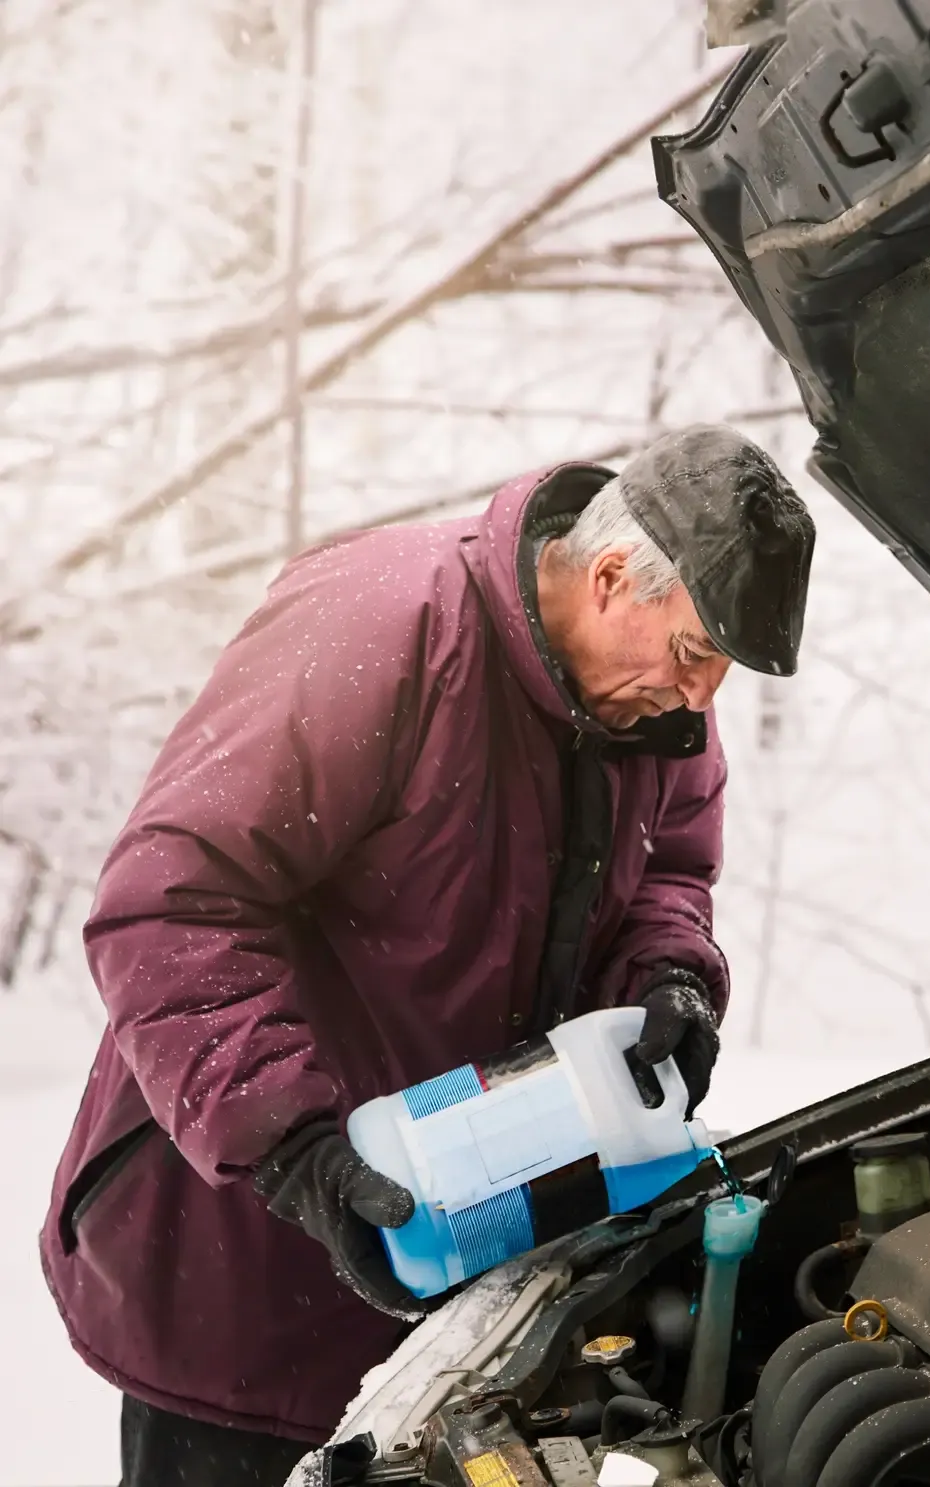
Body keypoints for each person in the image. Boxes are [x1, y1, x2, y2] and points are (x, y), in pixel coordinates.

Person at [39, 425, 815, 1485]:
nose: (703, 696)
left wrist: (668, 976)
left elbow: (671, 868)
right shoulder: (383, 628)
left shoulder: (656, 710)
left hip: (459, 1277)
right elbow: (170, 903)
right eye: (693, 652)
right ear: (608, 576)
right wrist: (297, 1150)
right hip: (249, 1260)